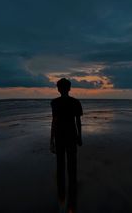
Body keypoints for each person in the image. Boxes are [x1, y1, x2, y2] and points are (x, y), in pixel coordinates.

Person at [50, 78, 83, 213]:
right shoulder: (75, 102)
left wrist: (51, 140)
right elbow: (78, 122)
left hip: (59, 136)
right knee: (72, 164)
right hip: (71, 136)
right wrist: (80, 136)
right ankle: (71, 190)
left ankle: (61, 193)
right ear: (69, 88)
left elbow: (54, 121)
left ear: (58, 89)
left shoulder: (54, 103)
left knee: (60, 165)